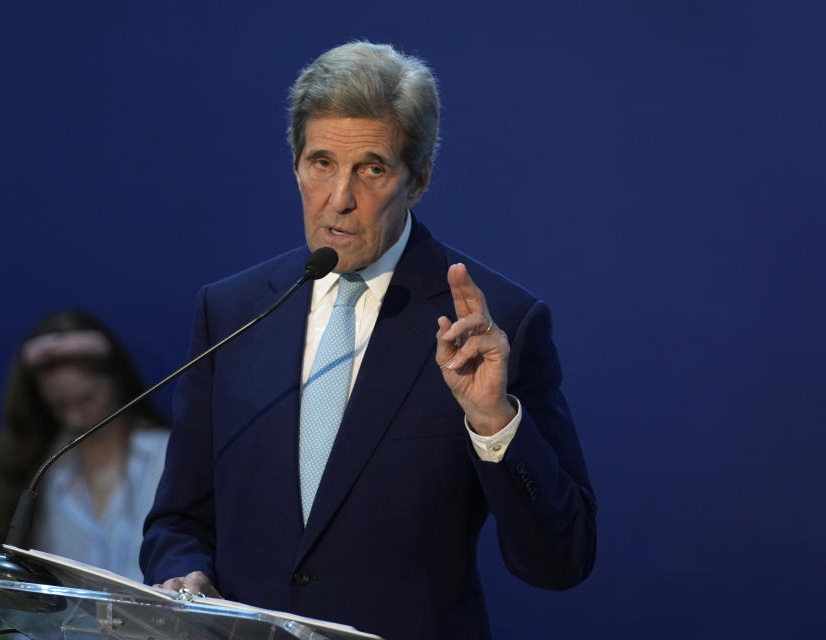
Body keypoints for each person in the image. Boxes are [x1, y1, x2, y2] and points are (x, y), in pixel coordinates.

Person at [141, 41, 596, 639]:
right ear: (295, 166)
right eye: (320, 163)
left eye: (371, 169)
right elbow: (178, 519)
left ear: (419, 178)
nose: (339, 199)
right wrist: (184, 575)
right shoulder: (231, 310)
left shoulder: (497, 323)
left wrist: (493, 421)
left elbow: (560, 559)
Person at [0, 309, 169, 582]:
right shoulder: (41, 469)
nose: (75, 418)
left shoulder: (167, 454)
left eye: (86, 399)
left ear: (116, 379)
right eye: (59, 406)